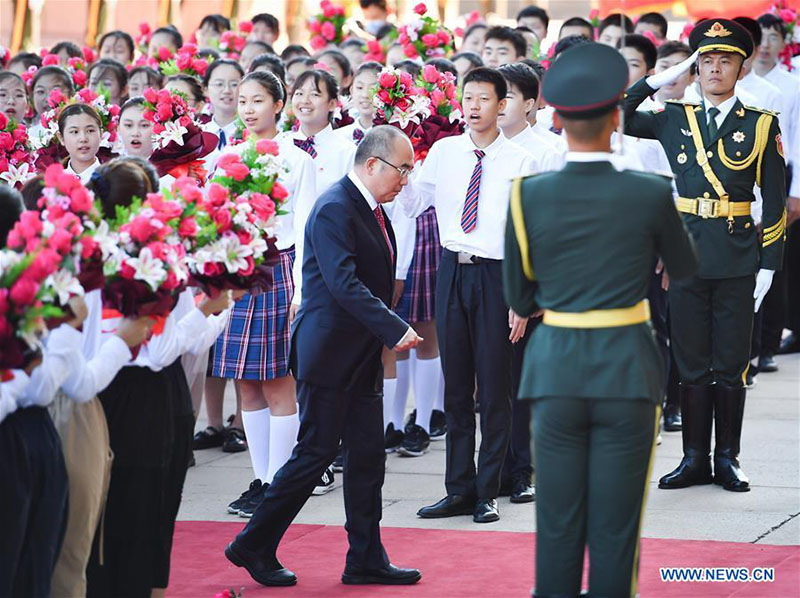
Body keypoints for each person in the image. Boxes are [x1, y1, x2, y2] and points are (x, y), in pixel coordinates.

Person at [504, 42, 699, 597]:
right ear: (618, 118)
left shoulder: (528, 194)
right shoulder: (648, 192)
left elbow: (519, 293)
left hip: (556, 368)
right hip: (626, 369)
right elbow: (683, 268)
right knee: (616, 528)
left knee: (558, 523)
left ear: (558, 119)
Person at [225, 125, 422, 587]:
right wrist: (394, 328)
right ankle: (253, 543)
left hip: (359, 355)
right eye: (403, 169)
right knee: (314, 454)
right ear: (372, 164)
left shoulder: (370, 207)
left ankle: (366, 558)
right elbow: (343, 283)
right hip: (329, 354)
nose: (406, 180)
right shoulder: (335, 206)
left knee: (367, 457)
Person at [623, 19, 787, 493]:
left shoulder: (760, 125)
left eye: (725, 61)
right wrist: (666, 74)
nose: (715, 69)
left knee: (731, 363)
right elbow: (622, 111)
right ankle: (693, 458)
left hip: (737, 257)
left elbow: (774, 202)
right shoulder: (675, 117)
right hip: (687, 255)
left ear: (742, 66)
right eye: (707, 61)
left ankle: (727, 458)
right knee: (691, 360)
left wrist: (769, 265)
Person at [401, 68, 536, 524]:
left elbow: (527, 233)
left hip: (498, 277)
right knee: (455, 384)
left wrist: (522, 298)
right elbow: (411, 202)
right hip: (451, 272)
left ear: (503, 105)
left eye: (484, 98)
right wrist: (402, 160)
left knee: (495, 388)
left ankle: (488, 489)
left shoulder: (520, 160)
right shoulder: (443, 151)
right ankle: (457, 488)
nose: (474, 106)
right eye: (468, 98)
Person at [214, 70, 316, 518]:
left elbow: (307, 228)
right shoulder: (226, 157)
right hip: (237, 272)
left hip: (278, 271)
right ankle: (260, 479)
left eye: (258, 100)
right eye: (243, 101)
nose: (249, 109)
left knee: (278, 380)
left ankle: (280, 483)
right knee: (245, 380)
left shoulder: (299, 158)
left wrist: (301, 290)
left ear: (280, 104)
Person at [58, 104, 103, 183]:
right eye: (75, 132)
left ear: (101, 134)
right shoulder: (53, 185)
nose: (83, 139)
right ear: (61, 138)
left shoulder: (111, 180)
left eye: (90, 131)